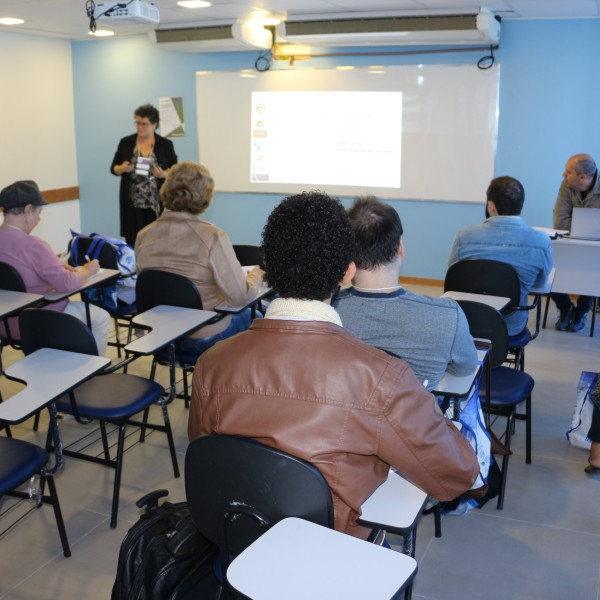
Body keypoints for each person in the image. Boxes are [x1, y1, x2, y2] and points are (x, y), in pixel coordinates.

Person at [188, 191, 479, 540]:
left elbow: (207, 454)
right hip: (332, 552)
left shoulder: (211, 364)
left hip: (239, 540)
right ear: (347, 272)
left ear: (266, 265)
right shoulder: (383, 377)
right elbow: (457, 472)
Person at [334, 196, 477, 391]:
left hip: (346, 418)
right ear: (400, 248)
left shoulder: (327, 312)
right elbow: (465, 369)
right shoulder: (448, 316)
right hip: (415, 420)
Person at [135, 161, 263, 357]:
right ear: (205, 196)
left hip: (160, 338)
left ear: (166, 190)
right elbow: (240, 297)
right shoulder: (213, 237)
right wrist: (256, 275)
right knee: (257, 317)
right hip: (202, 337)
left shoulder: (144, 235)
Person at [0, 180, 110, 354]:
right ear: (28, 210)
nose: (39, 218)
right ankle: (91, 374)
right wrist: (87, 271)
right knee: (101, 318)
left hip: (5, 324)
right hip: (43, 321)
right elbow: (67, 284)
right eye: (39, 212)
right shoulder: (34, 245)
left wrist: (59, 266)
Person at [448, 176, 553, 338]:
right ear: (521, 205)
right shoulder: (541, 241)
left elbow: (454, 277)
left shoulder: (464, 236)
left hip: (468, 322)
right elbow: (539, 283)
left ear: (491, 206)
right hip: (510, 325)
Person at [111, 104, 178, 246]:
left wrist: (164, 174)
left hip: (156, 203)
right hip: (132, 203)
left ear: (154, 125)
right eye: (138, 123)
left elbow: (175, 170)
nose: (140, 127)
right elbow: (114, 168)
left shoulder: (165, 144)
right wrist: (122, 168)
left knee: (158, 241)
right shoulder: (126, 143)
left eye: (145, 124)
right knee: (134, 241)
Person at [552, 154, 600, 332]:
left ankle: (581, 312)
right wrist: (589, 226)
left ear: (583, 177)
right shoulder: (566, 185)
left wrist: (578, 223)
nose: (563, 174)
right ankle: (565, 308)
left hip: (597, 249)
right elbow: (559, 222)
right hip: (569, 243)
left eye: (568, 171)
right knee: (548, 266)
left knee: (595, 270)